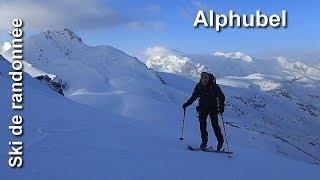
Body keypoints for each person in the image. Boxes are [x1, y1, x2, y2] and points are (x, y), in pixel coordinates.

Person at [183, 72, 225, 150]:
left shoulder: (214, 86)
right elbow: (194, 97)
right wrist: (187, 104)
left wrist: (221, 106)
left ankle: (220, 141)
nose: (204, 80)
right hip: (202, 108)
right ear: (201, 79)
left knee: (215, 125)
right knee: (202, 126)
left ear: (209, 78)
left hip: (213, 108)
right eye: (203, 78)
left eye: (206, 78)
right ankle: (204, 142)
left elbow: (221, 96)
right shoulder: (199, 86)